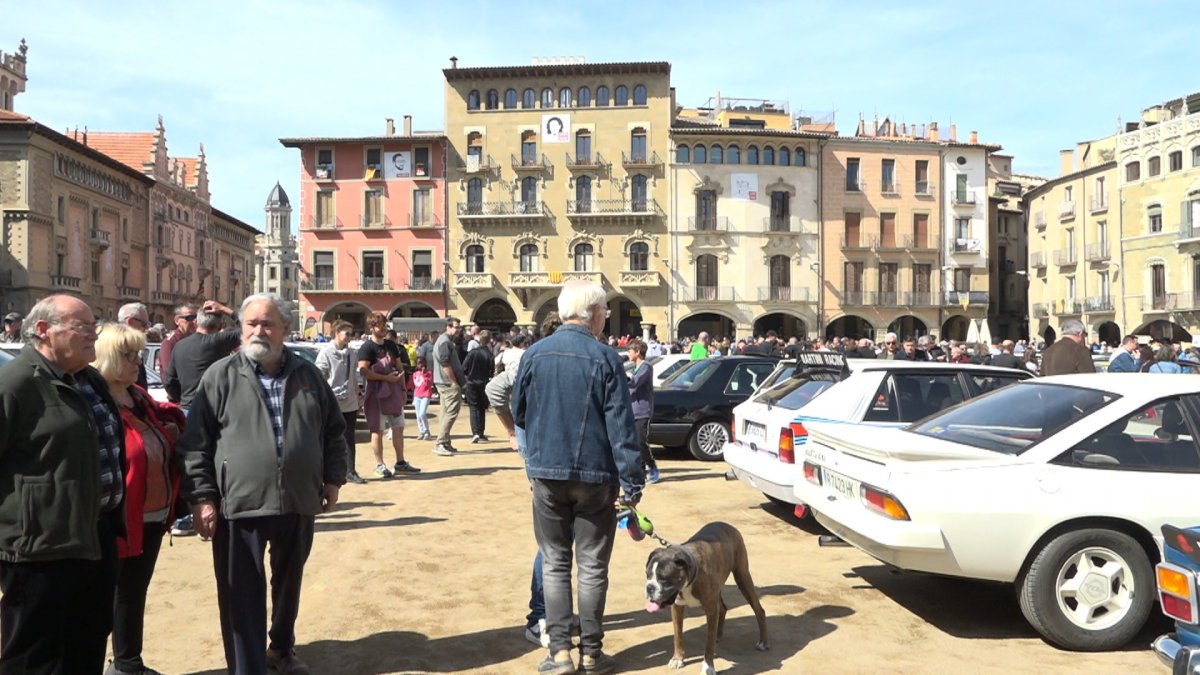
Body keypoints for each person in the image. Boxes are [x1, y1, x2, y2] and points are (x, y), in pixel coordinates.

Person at [176, 292, 347, 675]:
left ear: (286, 328)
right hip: (239, 505)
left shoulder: (308, 374)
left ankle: (281, 649)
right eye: (251, 323)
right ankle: (247, 667)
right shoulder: (220, 375)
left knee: (289, 585)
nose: (258, 331)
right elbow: (195, 444)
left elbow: (334, 431)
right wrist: (202, 497)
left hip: (298, 500)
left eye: (267, 323)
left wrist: (333, 479)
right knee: (241, 595)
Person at [512, 280, 645, 675]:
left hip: (546, 473)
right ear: (594, 313)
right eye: (605, 310)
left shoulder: (535, 354)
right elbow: (622, 425)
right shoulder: (605, 358)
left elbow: (519, 412)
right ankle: (591, 654)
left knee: (554, 563)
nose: (605, 317)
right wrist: (633, 482)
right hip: (595, 476)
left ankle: (560, 655)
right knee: (591, 567)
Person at [0, 295, 124, 674]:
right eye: (82, 327)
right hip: (39, 547)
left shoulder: (88, 379)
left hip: (95, 534)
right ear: (43, 331)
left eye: (95, 326)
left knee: (87, 639)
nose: (93, 335)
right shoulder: (16, 384)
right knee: (35, 653)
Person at [95, 323, 185, 675]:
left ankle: (129, 663)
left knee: (133, 592)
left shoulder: (138, 396)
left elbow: (164, 425)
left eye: (138, 353)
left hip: (151, 514)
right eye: (129, 355)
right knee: (114, 594)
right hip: (118, 517)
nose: (138, 361)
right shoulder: (97, 403)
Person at [357, 313, 419, 479]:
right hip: (376, 395)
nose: (384, 329)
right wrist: (386, 378)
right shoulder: (367, 348)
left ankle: (400, 463)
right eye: (380, 326)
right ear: (371, 328)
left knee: (398, 427)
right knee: (377, 430)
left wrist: (404, 390)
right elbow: (364, 372)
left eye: (385, 326)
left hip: (394, 393)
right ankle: (380, 465)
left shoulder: (391, 345)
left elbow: (399, 368)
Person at [164, 301, 240, 411]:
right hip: (214, 409)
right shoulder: (221, 341)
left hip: (188, 408)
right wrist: (225, 309)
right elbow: (249, 329)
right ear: (220, 326)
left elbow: (169, 381)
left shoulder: (179, 346)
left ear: (196, 323)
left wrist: (182, 398)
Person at [316, 320, 366, 485]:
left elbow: (353, 377)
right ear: (336, 333)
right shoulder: (326, 353)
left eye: (351, 334)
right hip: (332, 404)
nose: (349, 337)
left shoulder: (352, 353)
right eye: (347, 334)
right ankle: (325, 473)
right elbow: (320, 378)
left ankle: (350, 471)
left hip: (349, 403)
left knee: (349, 438)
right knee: (329, 438)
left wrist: (358, 396)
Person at [432, 317, 466, 457]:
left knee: (445, 413)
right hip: (447, 383)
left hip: (444, 382)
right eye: (456, 327)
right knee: (451, 412)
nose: (458, 330)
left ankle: (445, 441)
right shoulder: (444, 342)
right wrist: (453, 382)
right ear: (448, 327)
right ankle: (440, 442)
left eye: (459, 327)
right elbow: (445, 363)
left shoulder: (445, 341)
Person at [626, 338, 659, 484]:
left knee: (641, 442)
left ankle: (652, 468)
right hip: (633, 411)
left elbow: (634, 382)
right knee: (634, 443)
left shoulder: (646, 367)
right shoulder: (634, 368)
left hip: (643, 411)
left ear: (637, 352)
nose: (628, 353)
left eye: (630, 350)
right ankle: (640, 472)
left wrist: (621, 375)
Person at [462, 329, 494, 443]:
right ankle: (480, 432)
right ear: (489, 340)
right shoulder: (489, 354)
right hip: (484, 383)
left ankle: (475, 432)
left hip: (471, 383)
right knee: (482, 407)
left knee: (474, 407)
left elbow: (464, 368)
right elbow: (491, 371)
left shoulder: (472, 353)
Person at [156, 303, 197, 378]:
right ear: (177, 320)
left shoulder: (197, 340)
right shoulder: (169, 343)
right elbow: (169, 374)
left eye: (197, 318)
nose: (195, 322)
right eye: (190, 318)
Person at [117, 302, 152, 389]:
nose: (147, 329)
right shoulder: (116, 349)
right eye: (144, 324)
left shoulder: (134, 347)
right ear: (130, 322)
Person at [412, 359, 434, 441]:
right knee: (418, 415)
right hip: (417, 395)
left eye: (421, 363)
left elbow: (429, 384)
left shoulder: (429, 373)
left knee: (422, 413)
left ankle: (427, 431)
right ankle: (421, 431)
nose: (420, 365)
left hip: (425, 395)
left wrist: (424, 375)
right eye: (418, 363)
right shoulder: (415, 374)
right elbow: (413, 384)